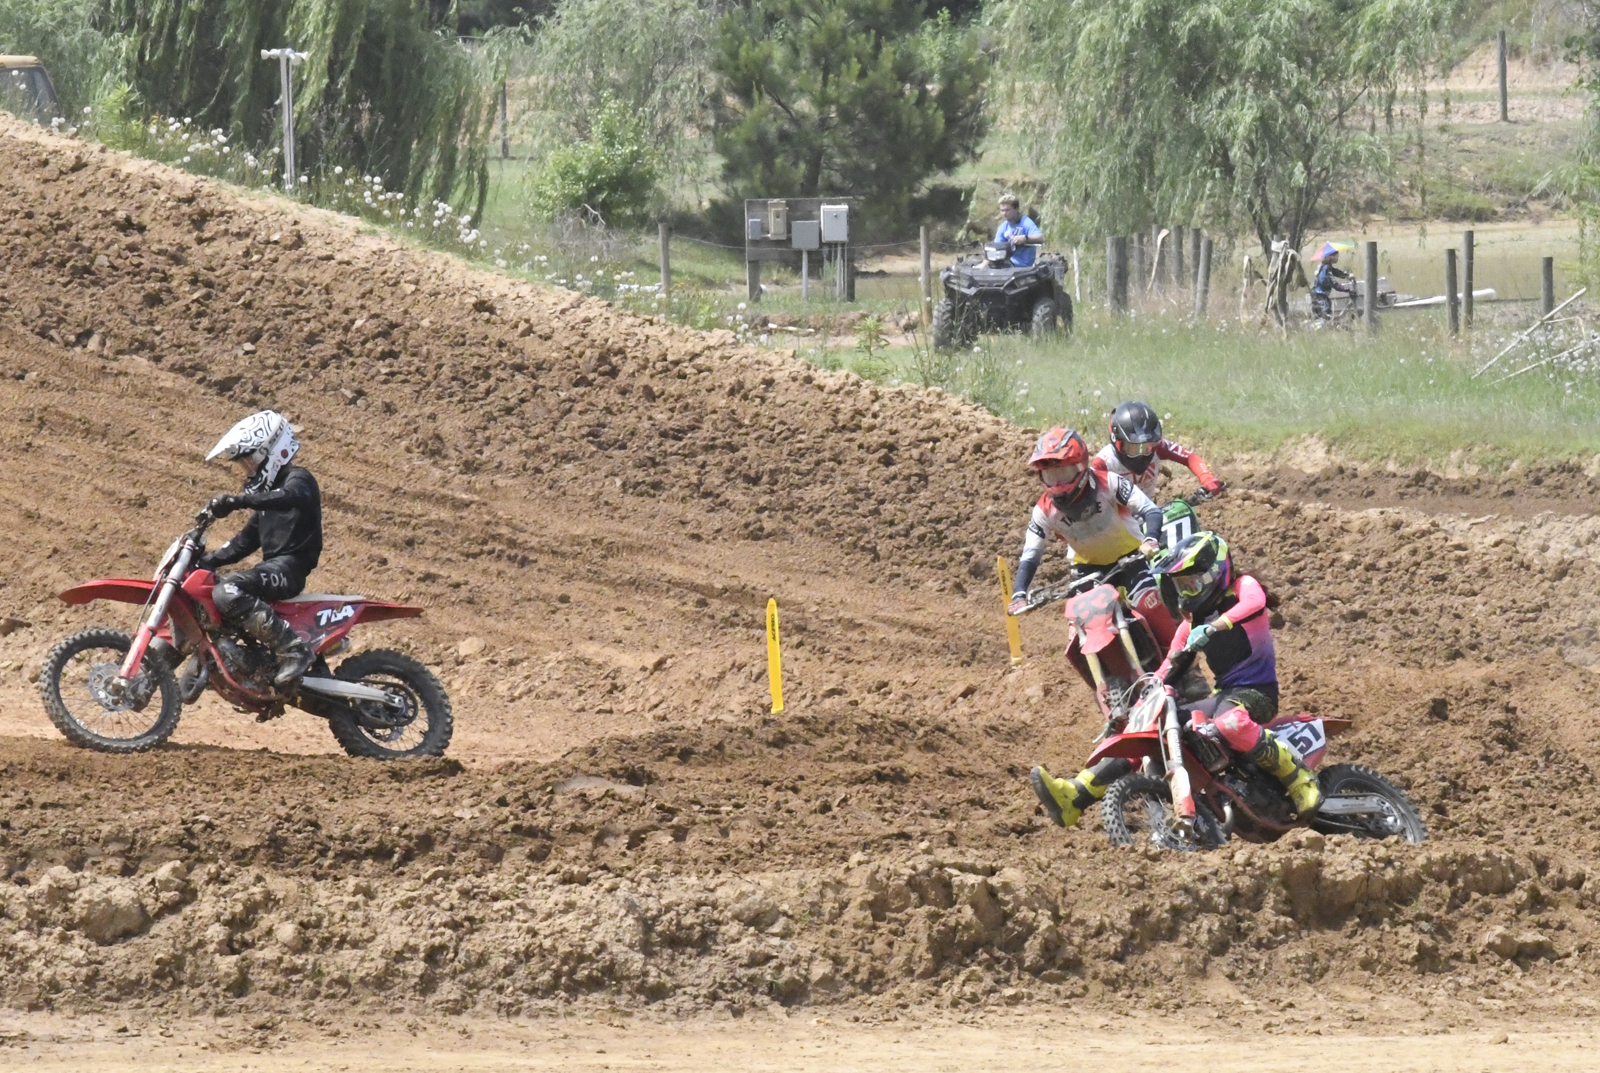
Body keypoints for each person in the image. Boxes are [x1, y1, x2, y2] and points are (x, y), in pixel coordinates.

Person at [1030, 530, 1323, 829]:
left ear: (1214, 572)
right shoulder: (1190, 625)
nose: (1188, 590)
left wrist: (1215, 626)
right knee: (1148, 728)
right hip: (1223, 695)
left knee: (1229, 722)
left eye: (1193, 581)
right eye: (1182, 584)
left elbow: (1254, 602)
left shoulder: (1242, 588)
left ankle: (1299, 779)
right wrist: (1147, 696)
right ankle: (1076, 795)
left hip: (1257, 693)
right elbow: (1170, 663)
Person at [1006, 427, 1176, 655]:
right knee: (1078, 632)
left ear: (1081, 466)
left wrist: (1151, 538)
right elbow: (1030, 555)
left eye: (1064, 473)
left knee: (1150, 604)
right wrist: (1019, 593)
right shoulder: (1043, 511)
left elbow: (1150, 510)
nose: (1058, 484)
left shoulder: (1110, 483)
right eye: (1050, 476)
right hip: (1086, 570)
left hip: (1131, 557)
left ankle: (1186, 663)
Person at [196, 410, 322, 689]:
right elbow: (242, 543)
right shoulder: (267, 504)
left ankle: (293, 650)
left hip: (290, 568)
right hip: (274, 568)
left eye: (250, 460)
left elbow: (288, 497)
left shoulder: (299, 480)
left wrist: (238, 501)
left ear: (272, 451)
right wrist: (205, 560)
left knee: (229, 590)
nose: (248, 469)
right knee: (214, 589)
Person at [1098, 401, 1223, 501]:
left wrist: (1207, 478)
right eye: (1133, 448)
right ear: (1116, 441)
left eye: (1147, 447)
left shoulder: (1159, 446)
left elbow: (1189, 457)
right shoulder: (1104, 462)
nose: (1140, 455)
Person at [1310, 244, 1356, 321]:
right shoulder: (1326, 269)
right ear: (1330, 257)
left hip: (1319, 296)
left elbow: (1336, 272)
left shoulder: (1325, 266)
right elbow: (1334, 284)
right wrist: (1348, 289)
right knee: (1325, 316)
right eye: (1336, 255)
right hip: (1319, 297)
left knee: (1323, 314)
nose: (1338, 257)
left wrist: (1347, 275)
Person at [995, 193, 1042, 268]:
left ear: (1016, 209)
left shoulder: (1025, 222)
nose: (1004, 213)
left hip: (1022, 267)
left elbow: (1040, 238)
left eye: (1007, 210)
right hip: (1007, 264)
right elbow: (995, 248)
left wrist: (1025, 238)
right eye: (1002, 210)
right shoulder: (1004, 227)